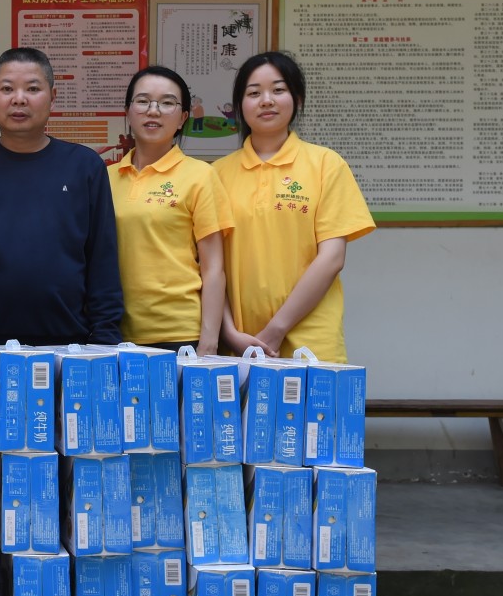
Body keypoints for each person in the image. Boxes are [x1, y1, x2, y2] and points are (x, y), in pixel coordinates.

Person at [0, 47, 123, 414]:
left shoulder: (84, 167)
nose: (19, 99)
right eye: (7, 88)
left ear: (53, 97)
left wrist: (104, 345)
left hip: (69, 350)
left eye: (32, 88)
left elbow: (102, 260)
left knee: (65, 447)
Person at [214, 51, 375, 363]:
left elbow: (332, 258)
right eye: (254, 93)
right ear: (239, 105)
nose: (266, 101)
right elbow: (209, 264)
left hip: (311, 343)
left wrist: (277, 329)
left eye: (278, 90)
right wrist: (229, 332)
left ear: (297, 99)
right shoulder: (216, 174)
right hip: (239, 344)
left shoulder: (326, 164)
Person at [110, 65, 233, 356]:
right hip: (115, 334)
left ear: (183, 118)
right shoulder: (105, 177)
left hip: (180, 334)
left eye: (167, 103)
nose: (153, 111)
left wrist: (209, 342)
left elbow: (213, 268)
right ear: (128, 112)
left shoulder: (201, 176)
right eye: (143, 101)